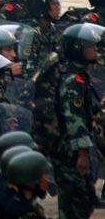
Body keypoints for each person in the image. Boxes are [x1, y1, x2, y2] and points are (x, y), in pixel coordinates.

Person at [51, 23, 103, 219]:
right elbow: (74, 119)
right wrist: (82, 153)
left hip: (71, 151)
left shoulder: (79, 76)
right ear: (78, 49)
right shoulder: (73, 80)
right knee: (74, 204)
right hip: (70, 153)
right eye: (90, 46)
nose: (95, 49)